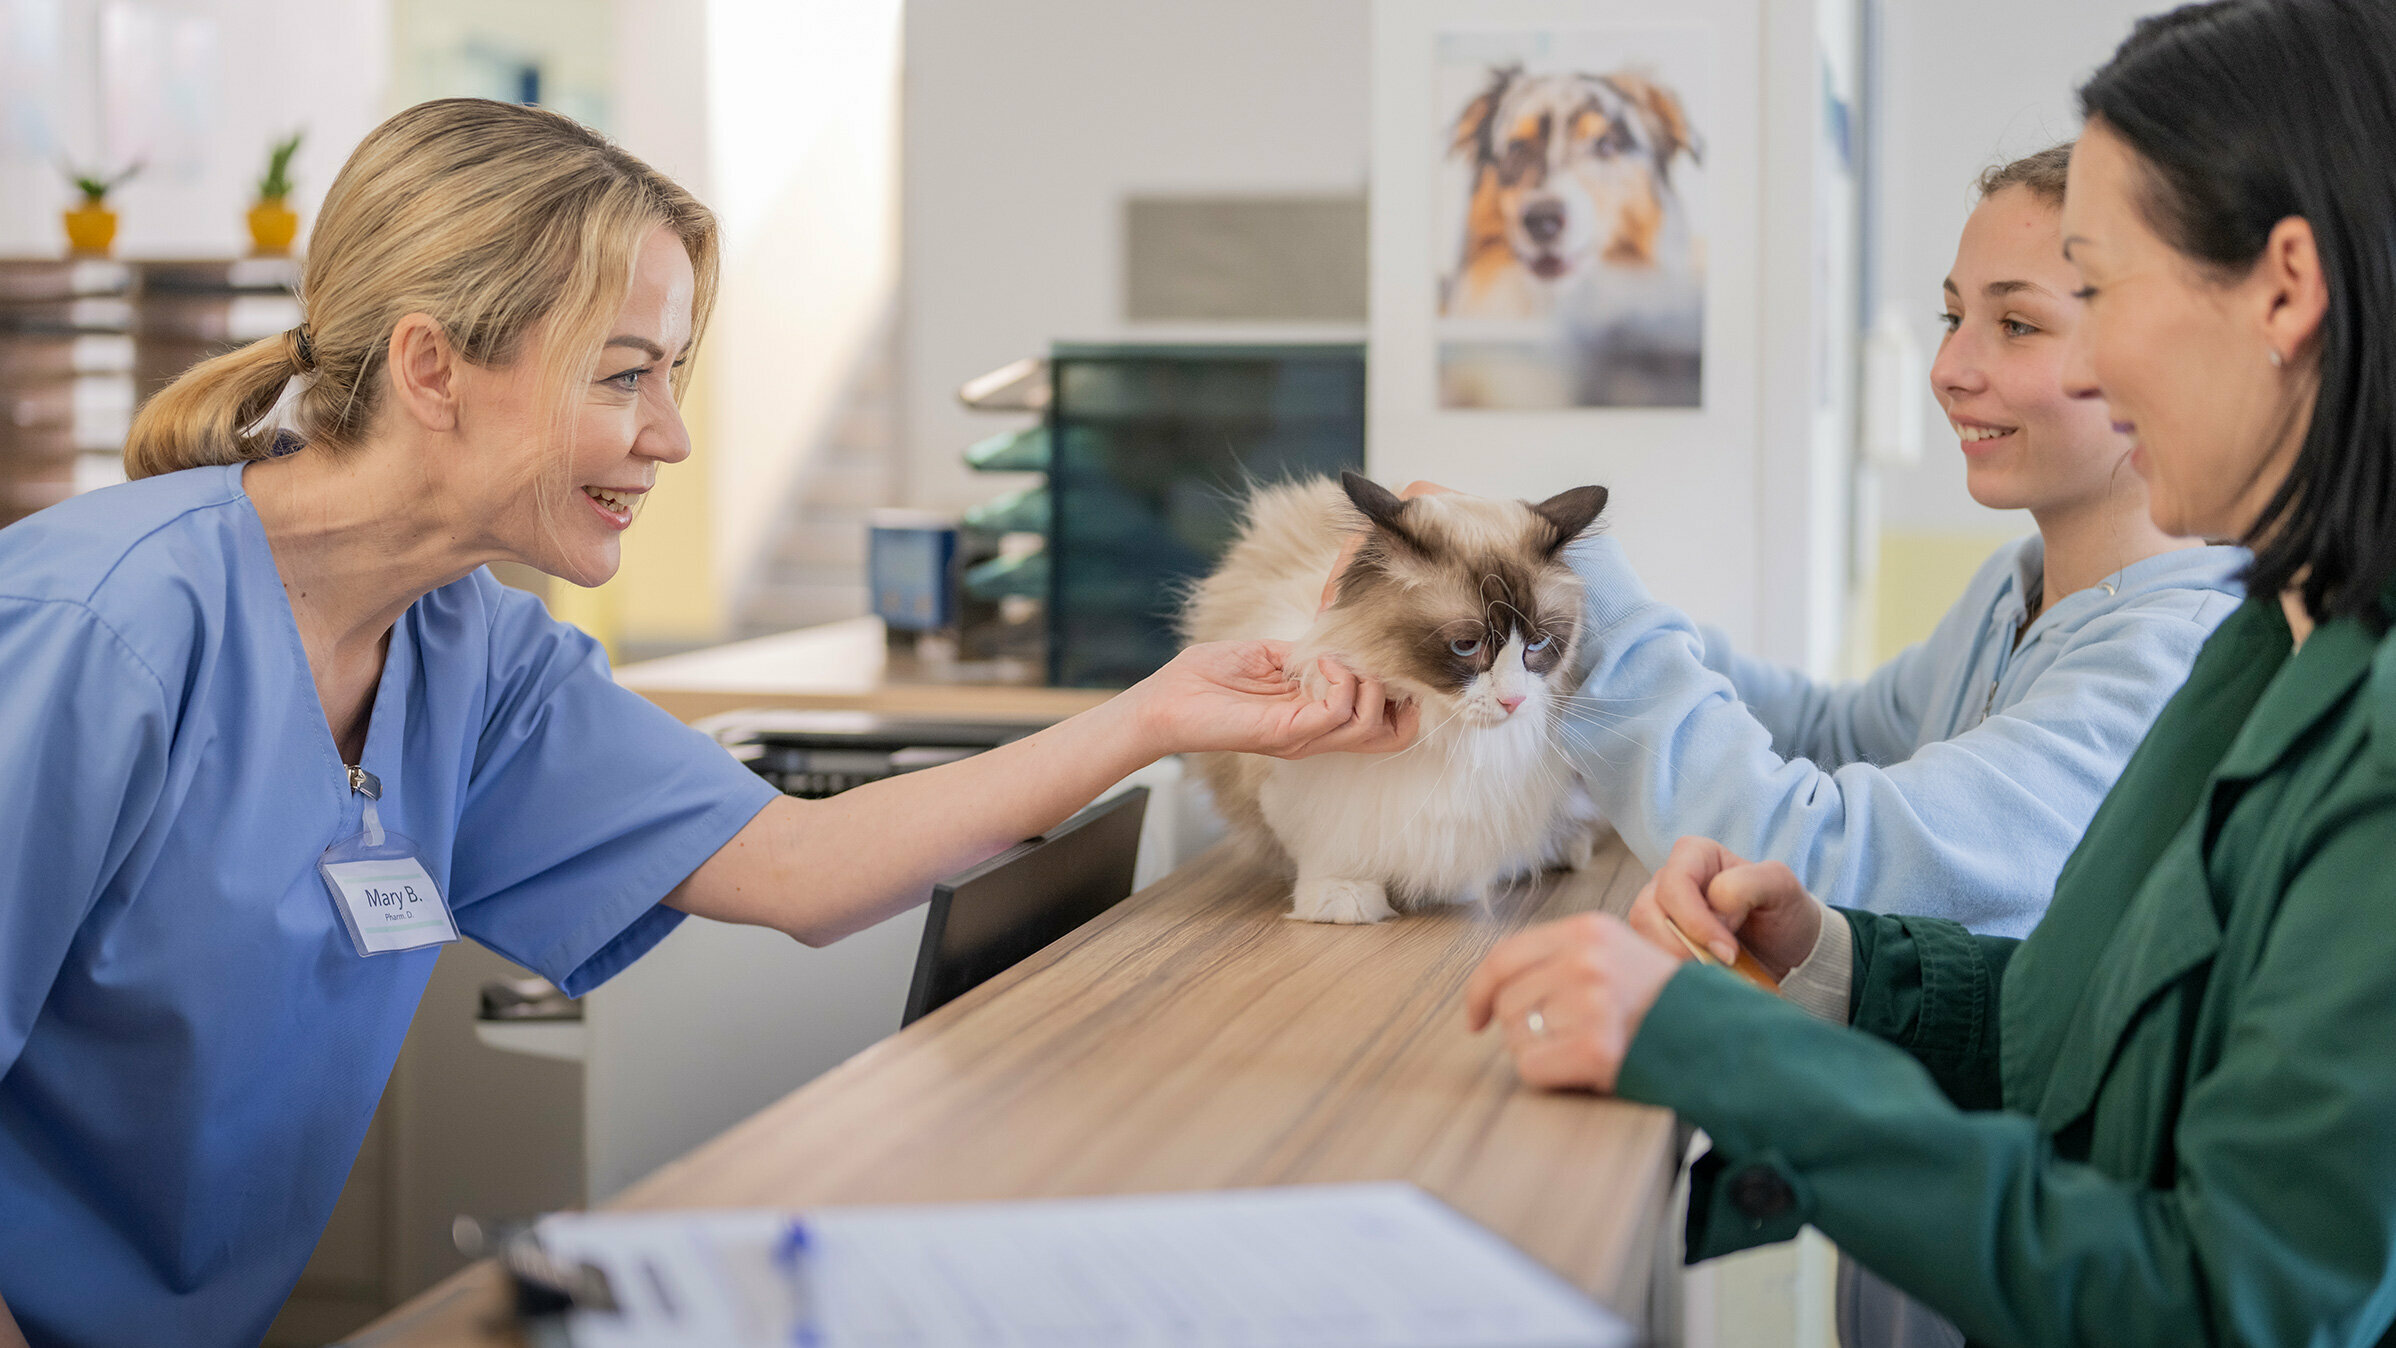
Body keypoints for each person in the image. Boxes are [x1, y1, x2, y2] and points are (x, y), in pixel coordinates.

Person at [0, 99, 1410, 1347]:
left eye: (670, 375)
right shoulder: (98, 633)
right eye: (624, 375)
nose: (670, 435)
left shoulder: (471, 651)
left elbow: (798, 870)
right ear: (432, 369)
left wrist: (1160, 713)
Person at [1467, 1, 2396, 1343]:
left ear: (2287, 289)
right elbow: (2057, 1029)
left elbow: (2215, 1301)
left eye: (2098, 288)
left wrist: (1713, 1042)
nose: (2092, 357)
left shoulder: (2363, 745)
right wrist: (1832, 958)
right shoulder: (2268, 644)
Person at [1548, 143, 2243, 939]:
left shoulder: (2168, 664)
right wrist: (1556, 625)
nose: (1948, 367)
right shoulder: (2016, 586)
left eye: (2017, 324)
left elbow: (1830, 870)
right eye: (1955, 317)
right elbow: (1834, 733)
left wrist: (1576, 608)